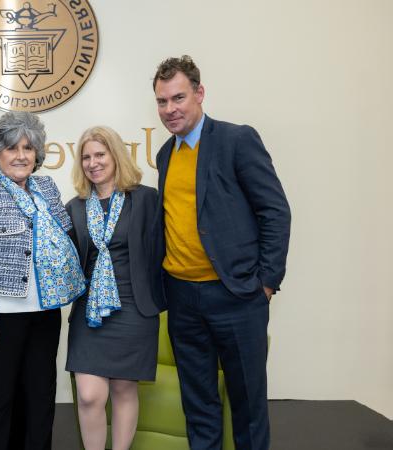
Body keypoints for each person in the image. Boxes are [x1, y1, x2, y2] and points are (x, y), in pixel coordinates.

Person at [152, 55, 291, 450]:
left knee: (247, 405)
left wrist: (265, 283)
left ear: (199, 93)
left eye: (178, 98)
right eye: (162, 102)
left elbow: (275, 211)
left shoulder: (236, 140)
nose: (170, 109)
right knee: (198, 406)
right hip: (182, 300)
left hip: (236, 296)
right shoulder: (166, 154)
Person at [0, 111, 86, 450]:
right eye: (12, 148)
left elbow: (64, 238)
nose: (21, 155)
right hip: (1, 318)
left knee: (41, 394)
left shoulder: (46, 188)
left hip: (45, 312)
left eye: (28, 148)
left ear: (38, 154)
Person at [64, 126, 164, 450]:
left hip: (134, 310)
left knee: (124, 390)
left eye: (100, 154)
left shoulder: (146, 199)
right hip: (89, 314)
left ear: (115, 155)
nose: (93, 163)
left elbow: (166, 248)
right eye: (87, 157)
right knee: (90, 396)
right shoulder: (76, 207)